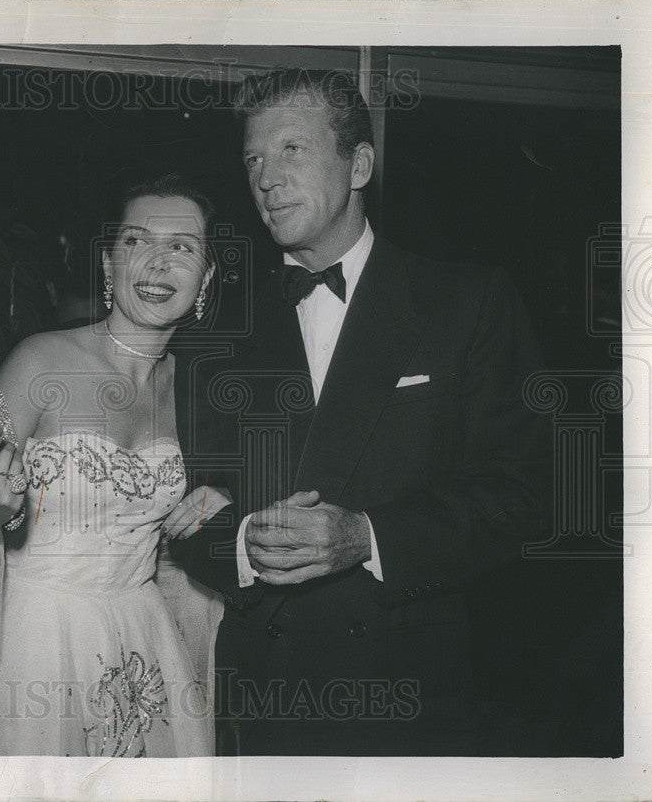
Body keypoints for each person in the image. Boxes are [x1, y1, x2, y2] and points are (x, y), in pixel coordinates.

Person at [168, 69, 552, 756]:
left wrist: (369, 538)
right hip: (268, 698)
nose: (266, 177)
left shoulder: (468, 303)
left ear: (360, 164)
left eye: (292, 150)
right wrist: (240, 547)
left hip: (412, 692)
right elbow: (187, 510)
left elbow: (525, 494)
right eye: (253, 158)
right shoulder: (220, 328)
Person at [0, 174, 228, 757]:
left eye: (183, 247)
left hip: (143, 650)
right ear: (107, 266)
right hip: (30, 648)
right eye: (136, 241)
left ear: (207, 277)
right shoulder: (41, 362)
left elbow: (182, 556)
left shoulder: (199, 393)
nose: (157, 263)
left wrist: (217, 513)